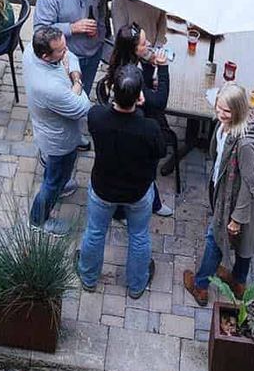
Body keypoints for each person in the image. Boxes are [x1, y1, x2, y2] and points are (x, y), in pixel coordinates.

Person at [77, 64, 166, 298]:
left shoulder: (96, 116)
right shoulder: (149, 128)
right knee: (139, 236)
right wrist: (143, 111)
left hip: (103, 188)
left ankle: (88, 278)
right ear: (139, 97)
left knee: (95, 232)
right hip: (137, 192)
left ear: (112, 90)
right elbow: (161, 151)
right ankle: (136, 285)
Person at [183, 84, 254, 305]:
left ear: (239, 110)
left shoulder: (246, 144)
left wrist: (237, 218)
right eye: (218, 108)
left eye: (226, 110)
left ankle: (200, 286)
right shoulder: (227, 123)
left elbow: (250, 185)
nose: (220, 114)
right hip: (225, 189)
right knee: (243, 243)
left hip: (235, 201)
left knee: (215, 239)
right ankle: (238, 282)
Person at [99, 23, 174, 216]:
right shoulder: (130, 76)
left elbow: (145, 83)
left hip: (134, 117)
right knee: (143, 168)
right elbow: (159, 102)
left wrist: (149, 69)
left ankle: (152, 202)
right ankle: (133, 208)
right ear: (133, 49)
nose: (148, 43)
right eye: (143, 43)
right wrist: (163, 70)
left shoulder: (125, 62)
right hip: (134, 124)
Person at [23, 25, 91, 234]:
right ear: (45, 56)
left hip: (50, 129)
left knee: (58, 172)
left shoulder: (31, 48)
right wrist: (76, 81)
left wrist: (71, 74)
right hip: (59, 140)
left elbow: (70, 56)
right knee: (52, 181)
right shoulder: (50, 87)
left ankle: (62, 183)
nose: (66, 51)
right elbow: (83, 107)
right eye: (61, 50)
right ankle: (38, 220)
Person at [34, 0, 105, 140]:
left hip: (93, 51)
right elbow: (40, 30)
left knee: (84, 90)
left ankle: (77, 123)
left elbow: (101, 9)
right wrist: (72, 28)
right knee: (68, 98)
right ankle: (68, 135)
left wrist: (101, 34)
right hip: (68, 57)